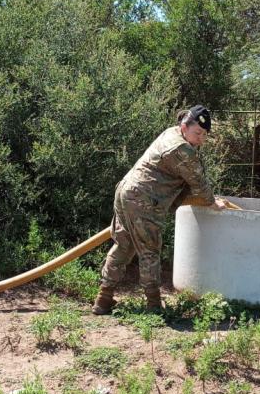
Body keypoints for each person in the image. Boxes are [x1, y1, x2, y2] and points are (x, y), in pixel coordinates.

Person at [93, 105, 228, 315]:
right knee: (149, 251)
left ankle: (103, 299)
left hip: (126, 191)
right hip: (143, 199)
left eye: (204, 135)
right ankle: (154, 305)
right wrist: (212, 202)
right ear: (185, 126)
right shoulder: (182, 149)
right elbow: (198, 182)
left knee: (124, 245)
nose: (201, 138)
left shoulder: (171, 133)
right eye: (198, 133)